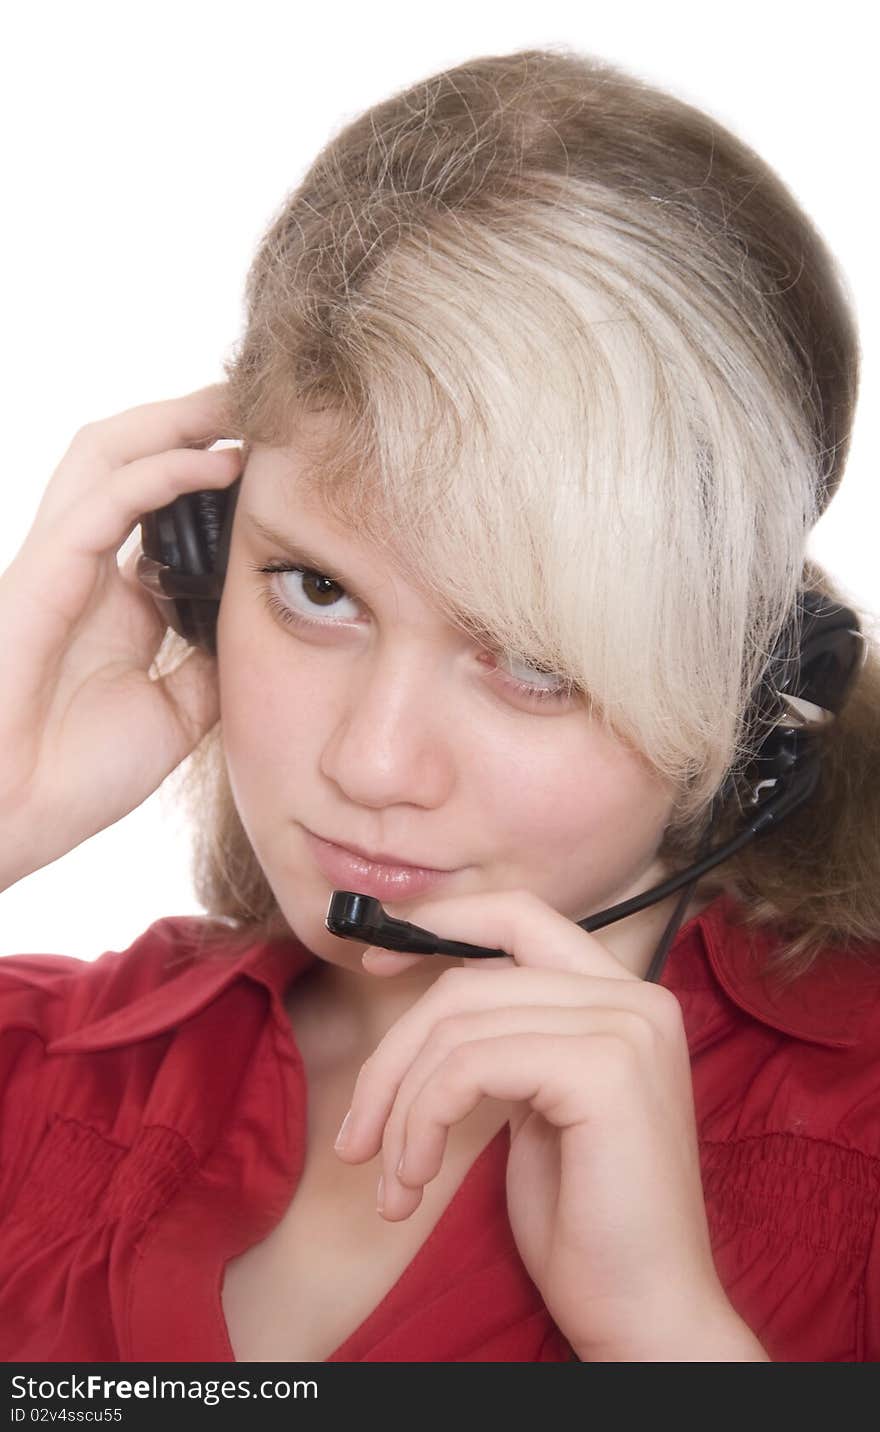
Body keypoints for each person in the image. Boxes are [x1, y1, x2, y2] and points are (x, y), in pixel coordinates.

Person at [1, 44, 879, 1364]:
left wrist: (669, 1339)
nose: (374, 763)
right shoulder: (41, 1077)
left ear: (753, 695)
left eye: (534, 660)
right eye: (314, 588)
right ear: (197, 560)